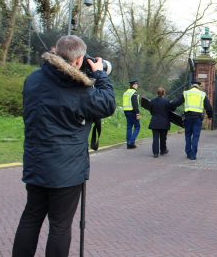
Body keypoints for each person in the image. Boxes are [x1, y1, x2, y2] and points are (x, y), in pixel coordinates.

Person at [12, 35, 116, 257]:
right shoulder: (80, 89)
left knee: (31, 217)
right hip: (66, 170)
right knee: (59, 226)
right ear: (78, 61)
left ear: (55, 52)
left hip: (36, 163)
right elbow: (107, 103)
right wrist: (99, 73)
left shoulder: (33, 80)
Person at [171, 80, 213, 160]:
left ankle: (188, 153)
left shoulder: (186, 93)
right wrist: (210, 116)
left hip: (188, 117)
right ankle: (193, 155)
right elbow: (208, 107)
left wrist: (170, 107)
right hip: (198, 118)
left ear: (191, 86)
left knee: (187, 135)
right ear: (199, 86)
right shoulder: (202, 94)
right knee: (195, 136)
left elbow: (176, 102)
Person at [146, 86, 175, 158]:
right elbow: (172, 110)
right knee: (163, 137)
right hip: (164, 122)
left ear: (157, 93)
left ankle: (155, 153)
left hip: (155, 122)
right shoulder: (167, 101)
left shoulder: (152, 101)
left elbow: (151, 111)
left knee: (155, 138)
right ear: (163, 93)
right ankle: (163, 150)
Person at [123, 79, 140, 149]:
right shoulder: (134, 92)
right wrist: (137, 114)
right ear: (133, 85)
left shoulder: (126, 92)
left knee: (129, 127)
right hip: (132, 112)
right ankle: (131, 142)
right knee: (137, 127)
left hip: (126, 111)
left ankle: (128, 144)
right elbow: (135, 104)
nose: (137, 86)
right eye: (136, 85)